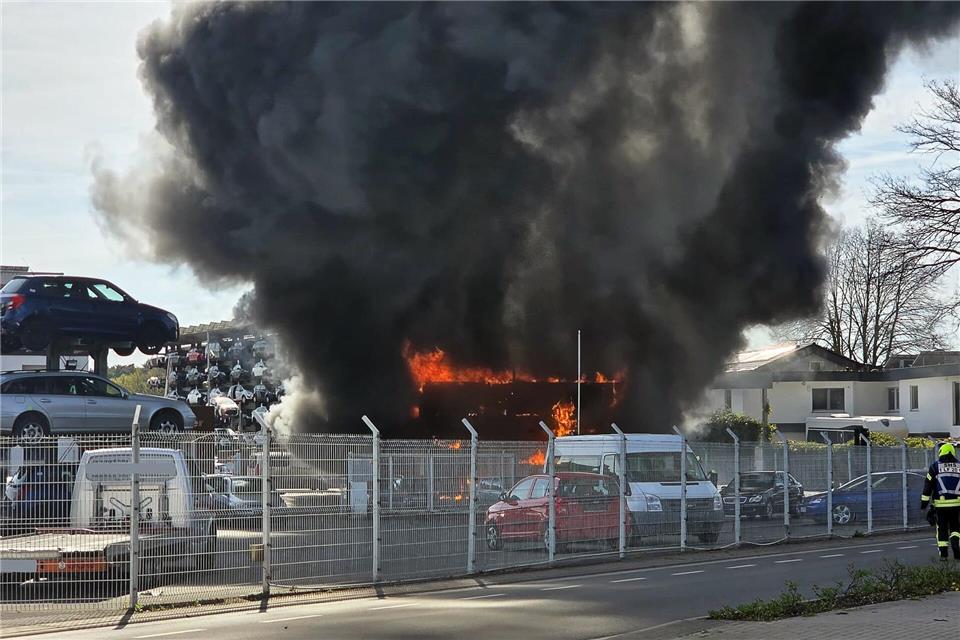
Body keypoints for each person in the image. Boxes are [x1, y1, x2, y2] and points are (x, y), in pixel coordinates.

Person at [921, 441, 960, 561]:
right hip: (957, 504)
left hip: (940, 505)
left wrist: (924, 504)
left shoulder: (934, 467)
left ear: (940, 452)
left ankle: (943, 555)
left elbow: (928, 486)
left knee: (941, 528)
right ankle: (955, 543)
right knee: (956, 527)